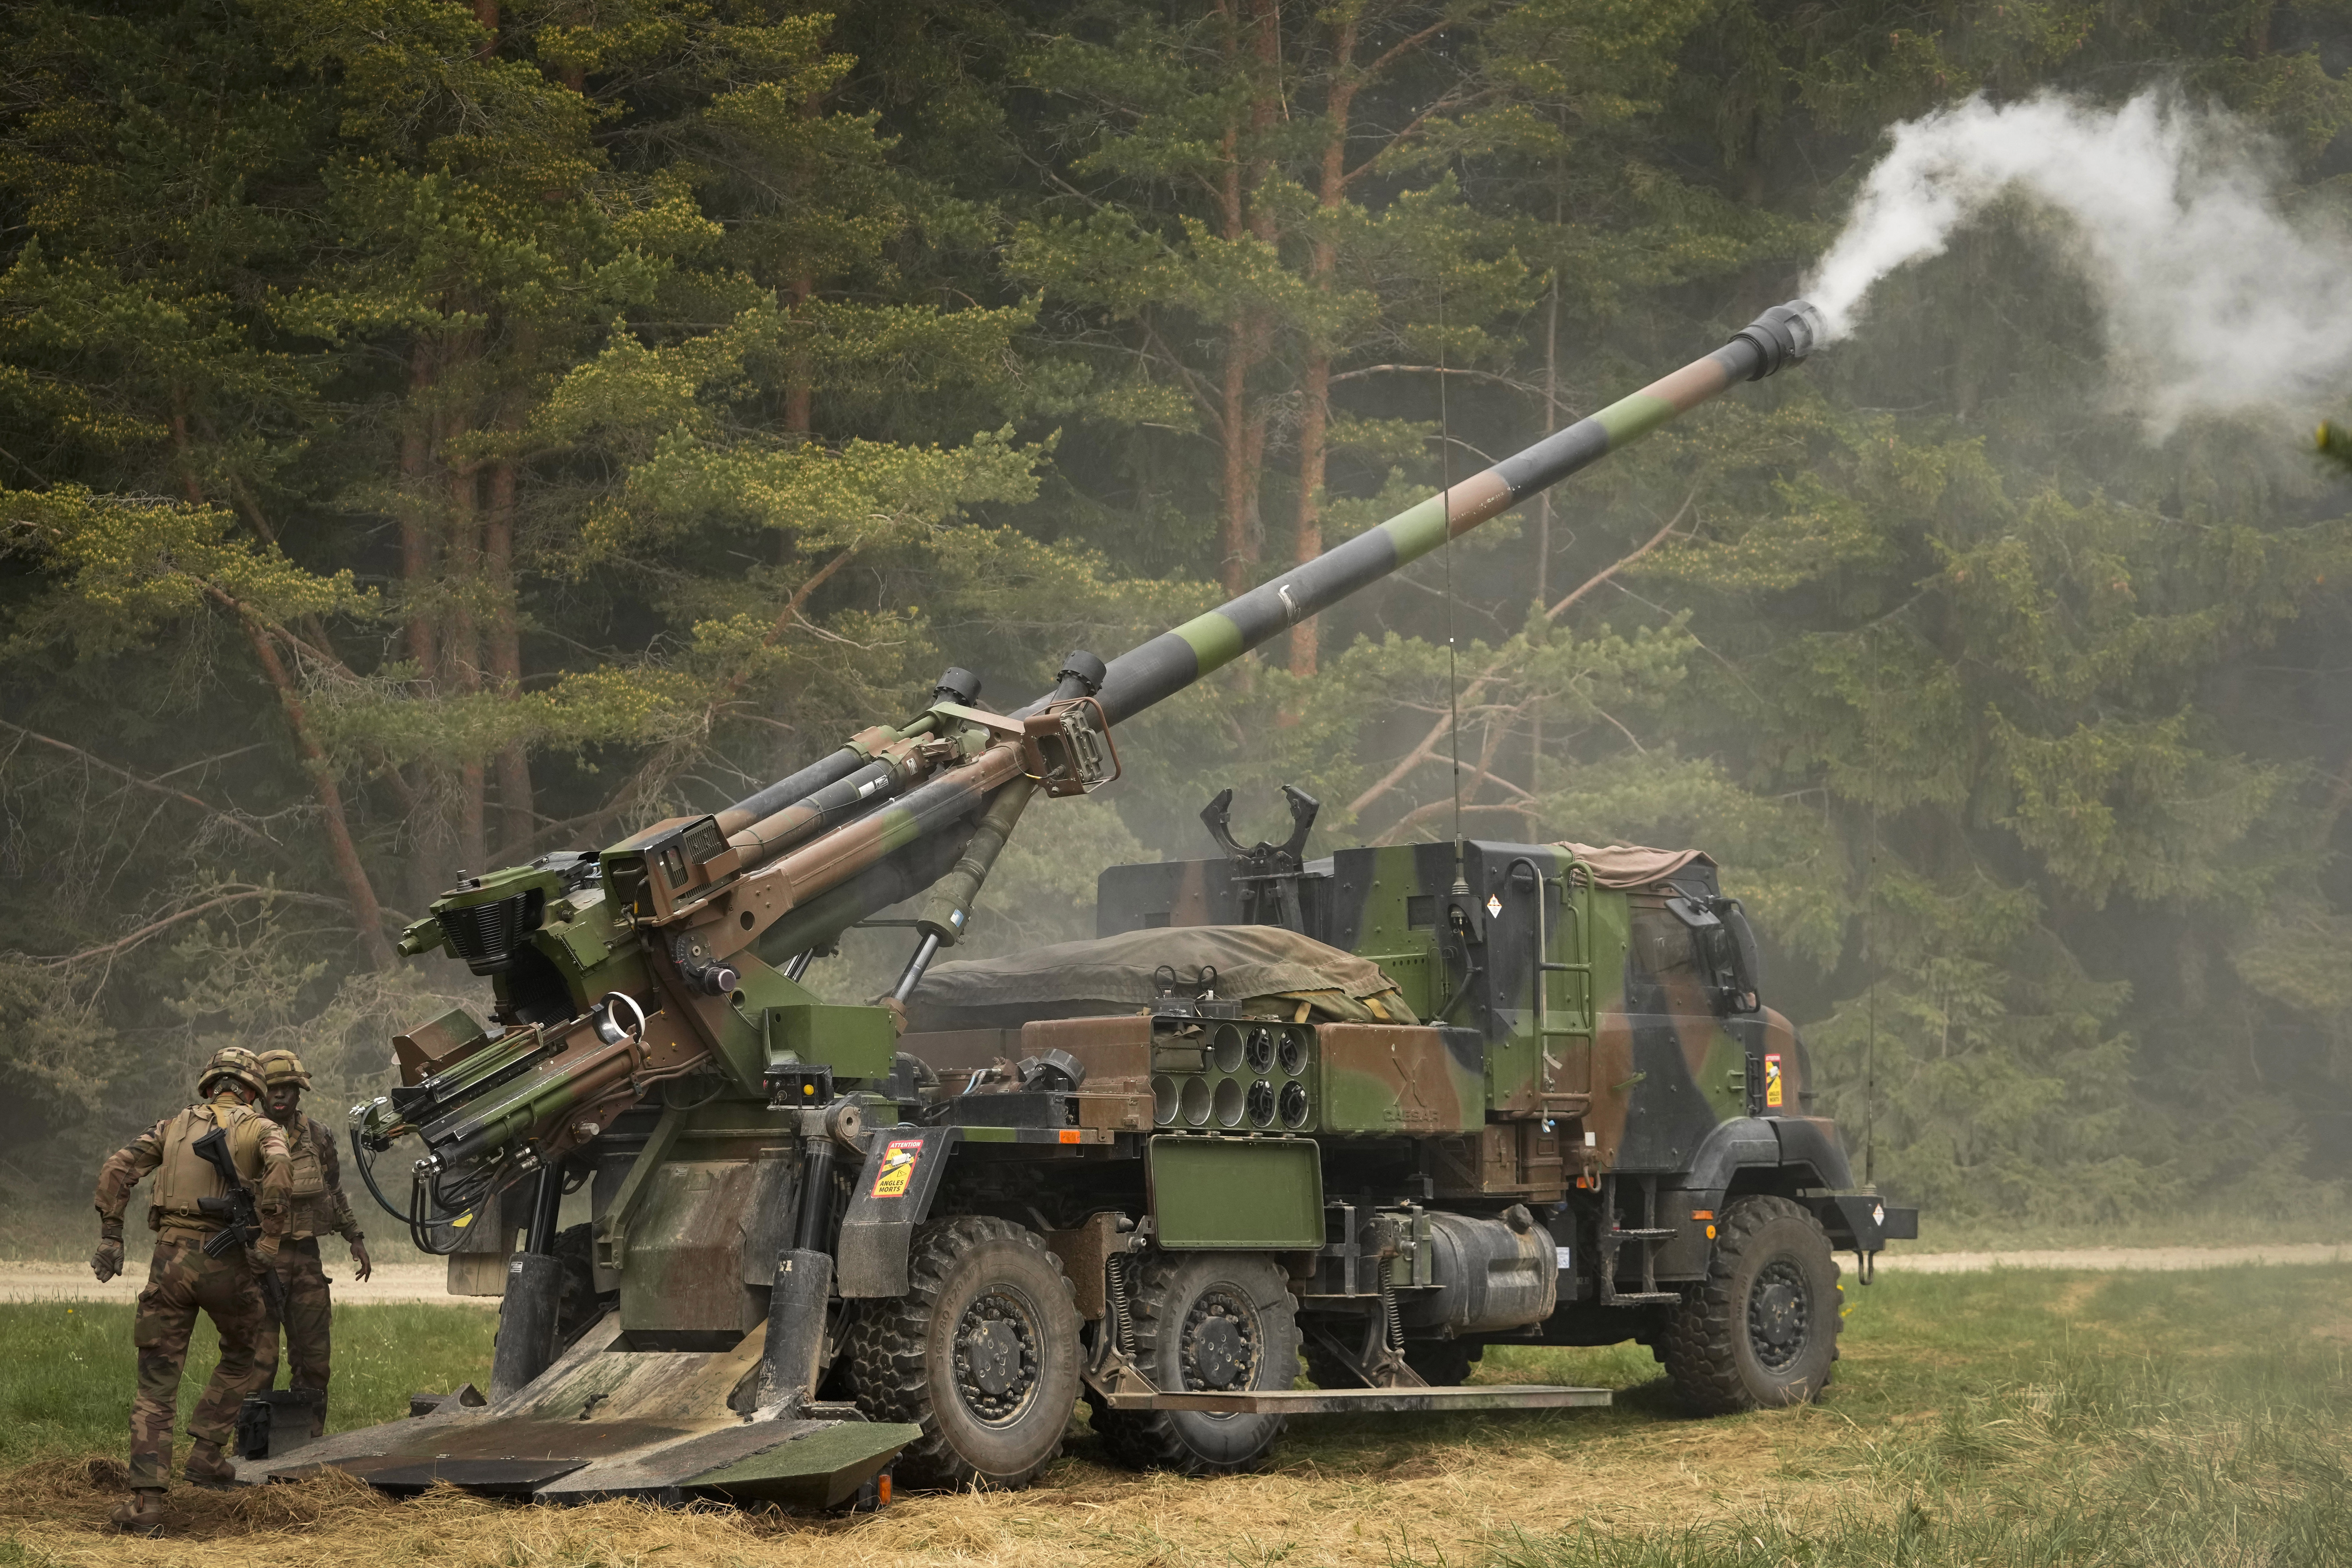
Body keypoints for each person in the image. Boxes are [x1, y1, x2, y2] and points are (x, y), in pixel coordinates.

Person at [90, 1045, 291, 1533]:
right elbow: (281, 1168)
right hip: (228, 1263)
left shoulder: (171, 1127)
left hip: (171, 1261)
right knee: (244, 1351)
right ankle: (207, 1452)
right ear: (252, 1091)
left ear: (210, 1085)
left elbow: (118, 1168)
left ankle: (146, 1503)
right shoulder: (263, 1128)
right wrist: (269, 1238)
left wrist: (112, 1236)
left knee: (157, 1382)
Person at [251, 1048, 371, 1436]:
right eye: (273, 1089)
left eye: (288, 1088)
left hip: (306, 1259)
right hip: (260, 1261)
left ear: (299, 1092)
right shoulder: (245, 1135)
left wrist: (355, 1236)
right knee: (258, 1363)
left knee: (314, 1360)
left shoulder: (318, 1136)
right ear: (260, 1093)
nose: (280, 1095)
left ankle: (308, 1440)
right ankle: (250, 1444)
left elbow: (333, 1190)